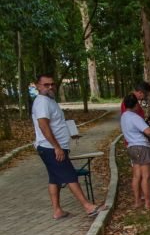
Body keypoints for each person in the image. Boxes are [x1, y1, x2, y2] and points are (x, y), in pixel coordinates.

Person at [31, 73, 106, 220]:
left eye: (52, 84)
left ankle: (57, 211)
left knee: (55, 179)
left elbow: (55, 124)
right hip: (50, 148)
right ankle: (89, 207)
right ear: (38, 86)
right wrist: (57, 147)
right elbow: (43, 126)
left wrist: (68, 134)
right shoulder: (42, 102)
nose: (50, 87)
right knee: (70, 176)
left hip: (52, 147)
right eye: (46, 85)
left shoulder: (49, 100)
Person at [120, 93, 150, 209]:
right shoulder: (135, 117)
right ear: (136, 105)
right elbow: (149, 132)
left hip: (131, 147)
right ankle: (147, 203)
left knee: (136, 176)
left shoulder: (124, 116)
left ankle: (137, 201)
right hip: (142, 147)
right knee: (146, 176)